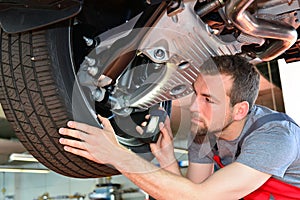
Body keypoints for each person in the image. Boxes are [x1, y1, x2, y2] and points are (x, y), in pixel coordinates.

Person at [58, 55, 300, 199]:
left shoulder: (275, 138)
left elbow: (202, 197)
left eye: (208, 99)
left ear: (240, 110)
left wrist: (117, 155)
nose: (193, 107)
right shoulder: (204, 132)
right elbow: (190, 193)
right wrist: (168, 161)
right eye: (196, 94)